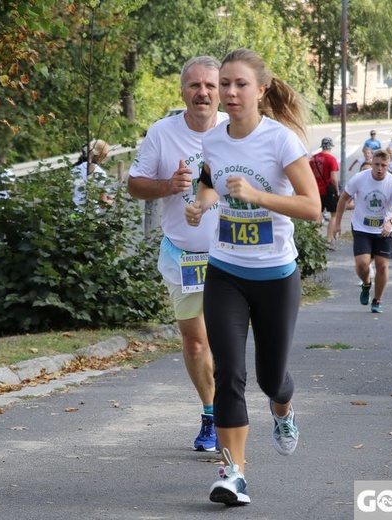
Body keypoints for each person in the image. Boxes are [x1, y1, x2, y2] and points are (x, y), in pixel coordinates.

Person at [184, 48, 320, 507]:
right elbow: (208, 178)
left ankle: (283, 410)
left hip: (276, 277)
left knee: (271, 378)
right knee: (229, 375)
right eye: (224, 84)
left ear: (261, 90)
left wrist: (260, 196)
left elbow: (312, 207)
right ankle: (233, 473)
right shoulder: (215, 140)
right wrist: (203, 200)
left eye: (240, 84)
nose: (228, 93)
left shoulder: (280, 141)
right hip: (225, 271)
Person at [128, 56, 228, 454]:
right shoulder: (162, 133)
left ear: (222, 91)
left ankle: (228, 413)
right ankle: (210, 413)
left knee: (225, 341)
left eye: (210, 86)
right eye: (194, 86)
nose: (202, 93)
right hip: (185, 255)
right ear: (183, 91)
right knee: (195, 343)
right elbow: (134, 185)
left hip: (232, 255)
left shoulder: (238, 131)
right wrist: (169, 185)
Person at [332, 149, 392, 314]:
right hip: (361, 227)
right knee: (362, 263)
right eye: (377, 164)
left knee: (382, 265)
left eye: (384, 166)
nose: (380, 169)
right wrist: (337, 223)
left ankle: (377, 300)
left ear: (389, 166)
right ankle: (366, 283)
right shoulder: (359, 179)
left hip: (383, 229)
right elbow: (343, 199)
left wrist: (390, 221)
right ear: (371, 163)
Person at [310, 137, 340, 248]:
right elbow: (333, 178)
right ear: (330, 147)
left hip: (316, 191)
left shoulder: (313, 159)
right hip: (328, 191)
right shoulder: (331, 159)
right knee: (333, 215)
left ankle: (315, 239)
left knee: (317, 215)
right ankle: (328, 240)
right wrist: (337, 190)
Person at [72, 139, 113, 208]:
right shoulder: (100, 173)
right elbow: (103, 204)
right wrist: (111, 200)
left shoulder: (76, 168)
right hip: (89, 213)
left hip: (73, 212)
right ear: (103, 155)